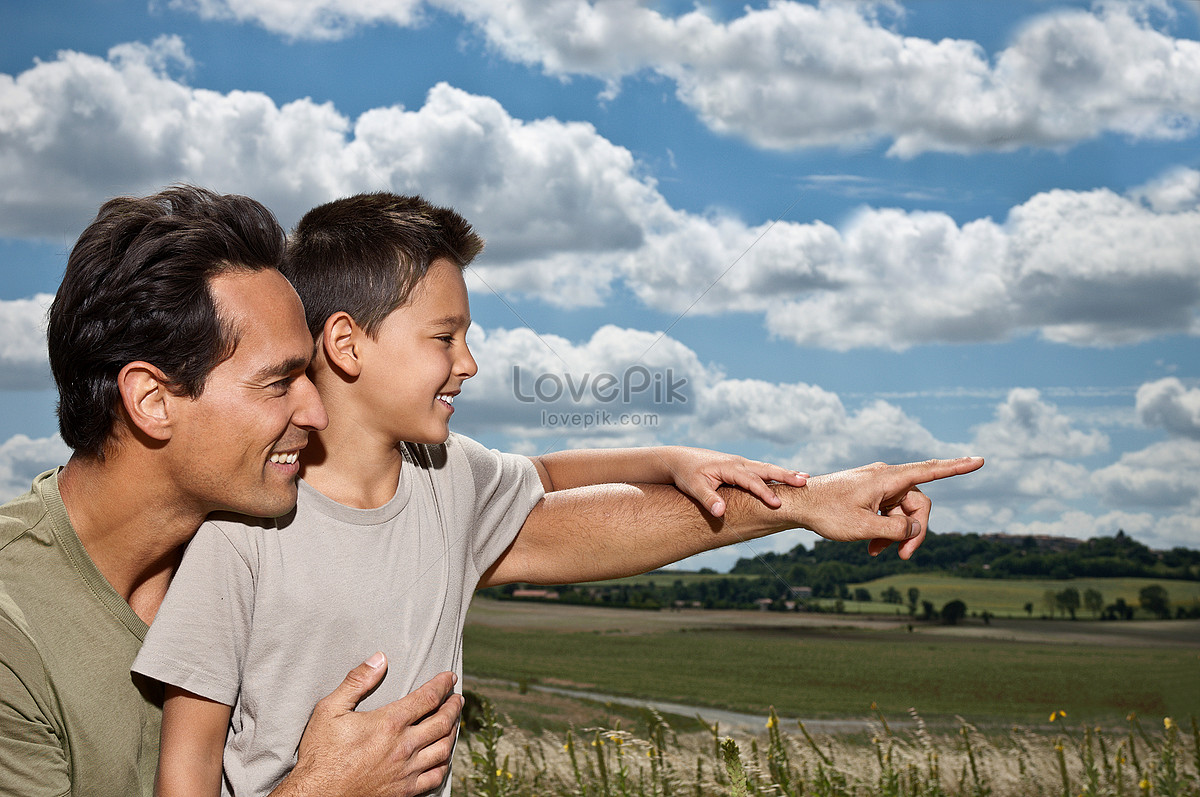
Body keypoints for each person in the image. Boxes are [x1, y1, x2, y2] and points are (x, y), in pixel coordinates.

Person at [133, 192, 984, 797]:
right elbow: (187, 769)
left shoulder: (448, 479)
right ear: (349, 345)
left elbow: (542, 477)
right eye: (445, 337)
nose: (468, 362)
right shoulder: (243, 528)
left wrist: (721, 472)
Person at [0, 186, 470, 796]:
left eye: (309, 372)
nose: (316, 411)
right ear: (152, 400)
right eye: (279, 383)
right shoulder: (15, 629)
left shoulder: (260, 540)